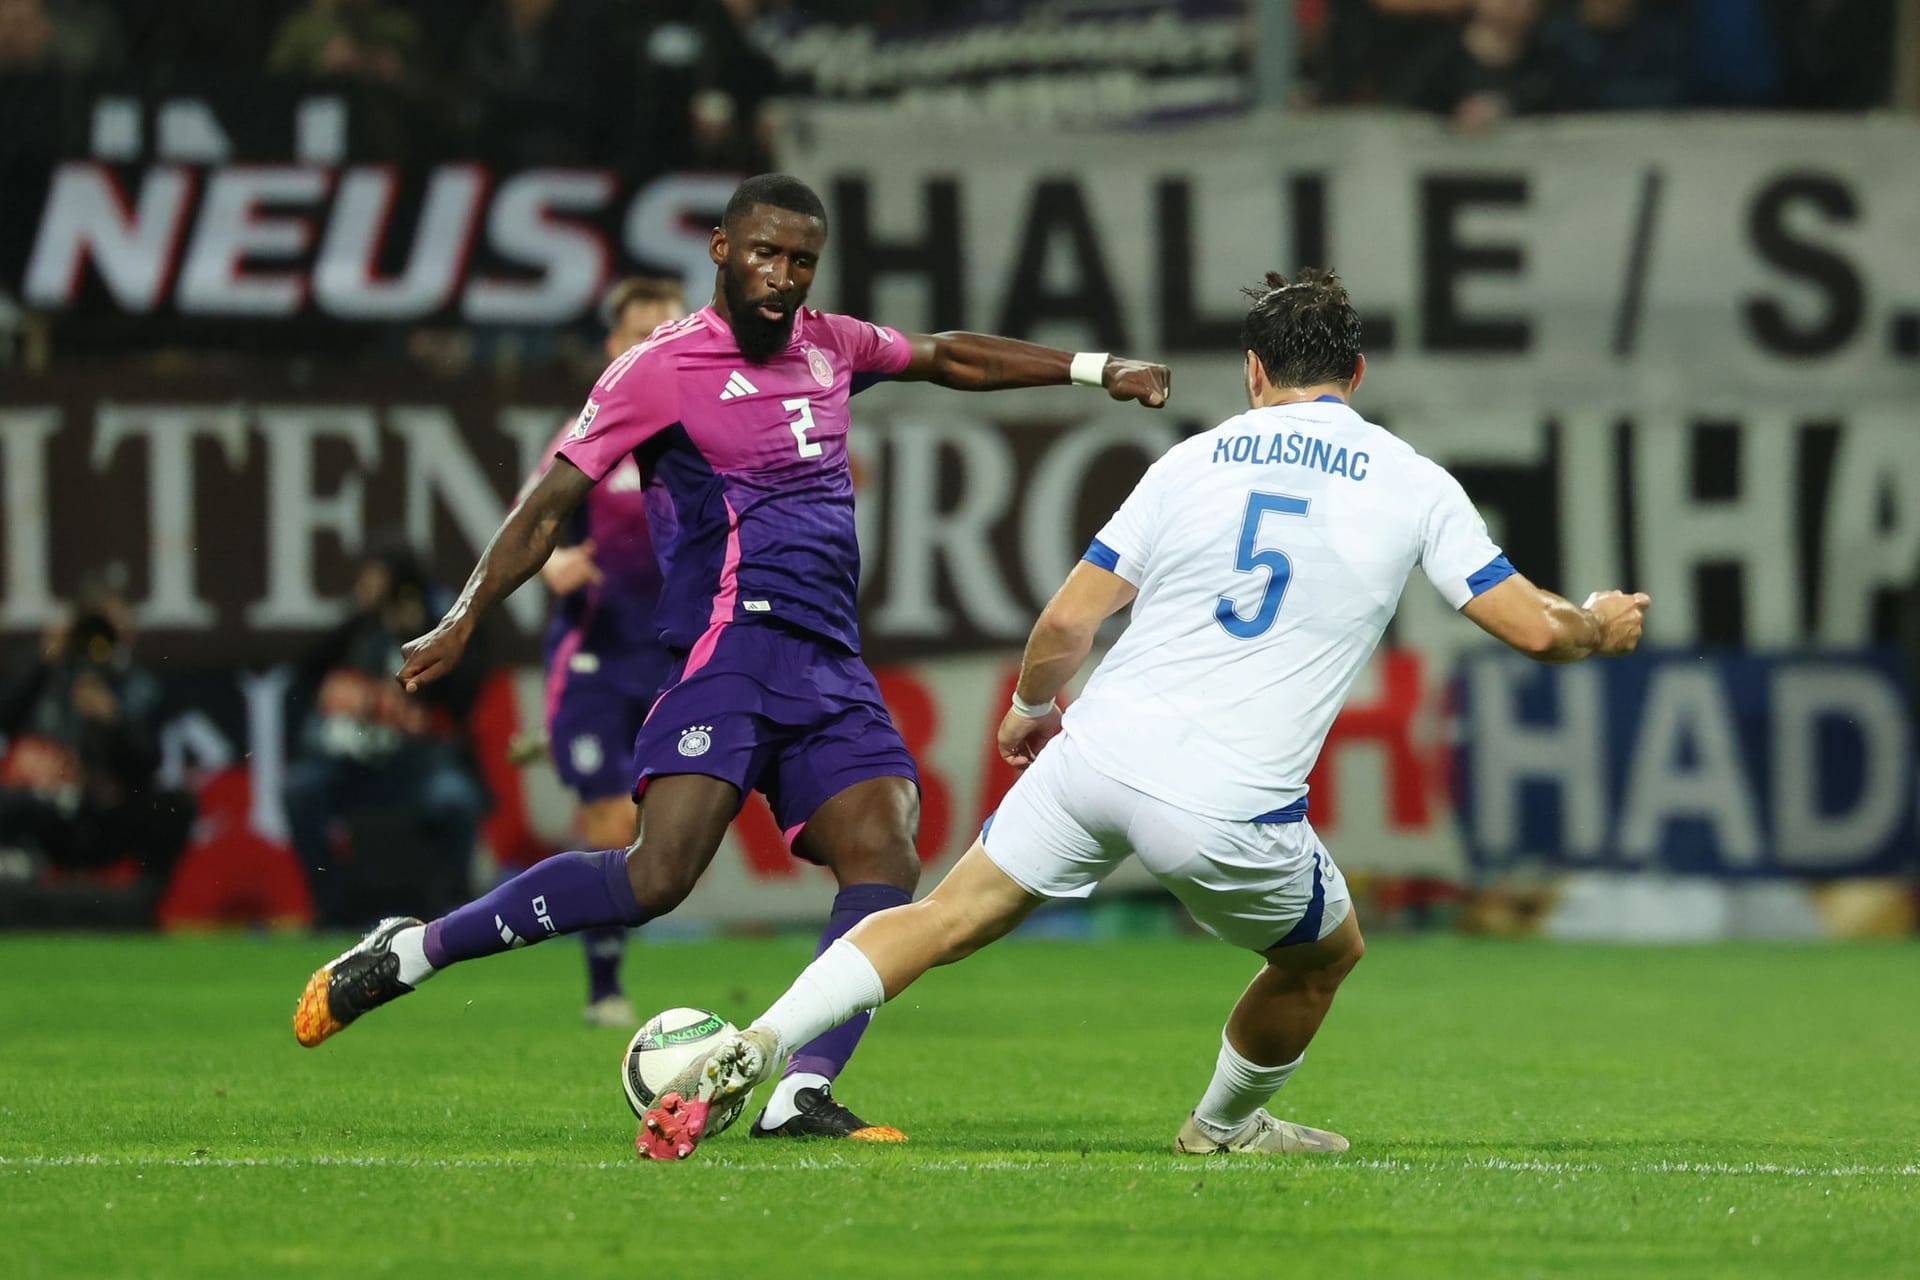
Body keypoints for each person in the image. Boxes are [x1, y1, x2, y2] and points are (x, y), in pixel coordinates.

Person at [638, 268, 1652, 1162]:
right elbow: (1528, 626)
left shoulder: (1193, 462)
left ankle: (760, 1037)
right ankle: (1222, 1125)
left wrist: (1033, 706)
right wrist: (1595, 625)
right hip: (1227, 802)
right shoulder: (1412, 480)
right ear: (1358, 371)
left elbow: (1068, 618)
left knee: (943, 917)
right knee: (1324, 955)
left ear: (1255, 371)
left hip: (1098, 755)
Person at [291, 173, 1171, 1146]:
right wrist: (463, 614)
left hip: (830, 656)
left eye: (801, 260)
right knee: (657, 875)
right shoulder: (658, 370)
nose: (782, 276)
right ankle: (415, 947)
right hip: (729, 649)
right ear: (720, 248)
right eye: (764, 252)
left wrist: (1095, 368)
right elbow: (548, 505)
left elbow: (945, 355)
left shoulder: (830, 344)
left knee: (884, 848)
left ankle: (800, 1091)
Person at [528, 276, 687, 1028]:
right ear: (614, 347)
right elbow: (537, 514)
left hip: (679, 658)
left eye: (671, 331)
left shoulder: (711, 435)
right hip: (596, 655)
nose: (658, 347)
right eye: (642, 334)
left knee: (659, 832)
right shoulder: (591, 429)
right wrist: (552, 558)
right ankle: (604, 989)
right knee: (608, 821)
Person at [283, 546, 490, 928]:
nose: (367, 584)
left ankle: (454, 912)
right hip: (355, 766)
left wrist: (421, 626)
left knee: (456, 800)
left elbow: (465, 696)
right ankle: (332, 910)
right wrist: (361, 615)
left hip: (419, 767)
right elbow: (308, 666)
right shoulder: (360, 629)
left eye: (375, 575)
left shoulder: (439, 620)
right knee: (301, 791)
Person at [0, 591, 191, 889]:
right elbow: (7, 717)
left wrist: (114, 719)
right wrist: (46, 657)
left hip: (108, 810)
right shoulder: (50, 676)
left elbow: (149, 761)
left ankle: (148, 903)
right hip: (51, 807)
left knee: (173, 805)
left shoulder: (137, 685)